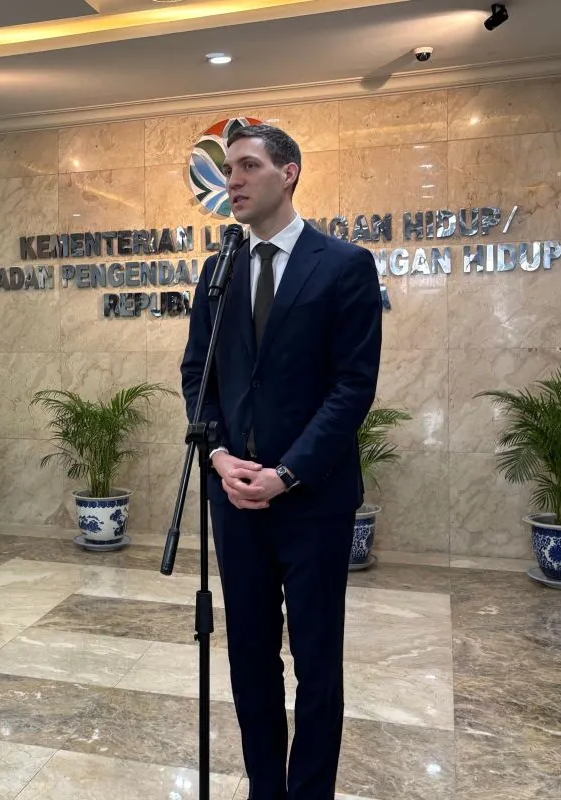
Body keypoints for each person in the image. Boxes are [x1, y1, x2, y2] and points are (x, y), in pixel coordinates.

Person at [180, 125, 382, 799]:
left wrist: (286, 473)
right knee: (250, 661)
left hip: (313, 501)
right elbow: (196, 376)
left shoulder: (343, 264)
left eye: (246, 166)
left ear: (288, 172)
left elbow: (353, 385)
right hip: (234, 502)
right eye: (228, 168)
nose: (230, 179)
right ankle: (266, 788)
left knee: (317, 664)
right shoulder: (219, 269)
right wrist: (218, 456)